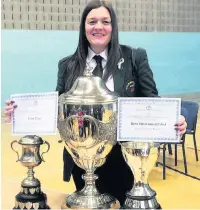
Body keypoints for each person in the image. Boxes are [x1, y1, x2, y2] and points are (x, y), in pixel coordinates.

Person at [4, 0, 187, 205]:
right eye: (92, 21)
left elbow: (152, 100)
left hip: (123, 160)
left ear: (113, 27)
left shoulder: (134, 57)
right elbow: (56, 109)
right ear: (84, 28)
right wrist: (21, 115)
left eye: (105, 21)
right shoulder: (68, 65)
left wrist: (174, 119)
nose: (98, 26)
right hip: (80, 160)